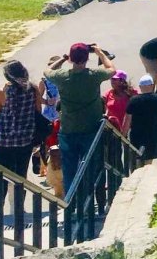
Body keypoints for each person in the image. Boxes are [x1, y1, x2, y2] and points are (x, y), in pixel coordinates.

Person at [47, 42, 116, 194]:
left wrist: (63, 59)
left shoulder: (62, 77)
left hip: (68, 129)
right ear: (87, 58)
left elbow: (47, 71)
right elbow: (111, 69)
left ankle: (71, 202)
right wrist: (100, 52)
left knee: (70, 168)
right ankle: (90, 199)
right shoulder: (93, 75)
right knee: (92, 165)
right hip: (91, 129)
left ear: (71, 58)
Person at [0, 60, 43, 182]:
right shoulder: (33, 89)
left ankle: (0, 200)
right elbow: (38, 110)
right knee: (21, 174)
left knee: (2, 174)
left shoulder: (2, 92)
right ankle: (19, 199)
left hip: (5, 140)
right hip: (25, 138)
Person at [125, 75, 157, 164]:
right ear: (152, 85)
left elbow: (127, 120)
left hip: (137, 135)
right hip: (153, 134)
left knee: (137, 157)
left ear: (140, 87)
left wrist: (123, 135)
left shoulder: (133, 100)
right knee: (149, 160)